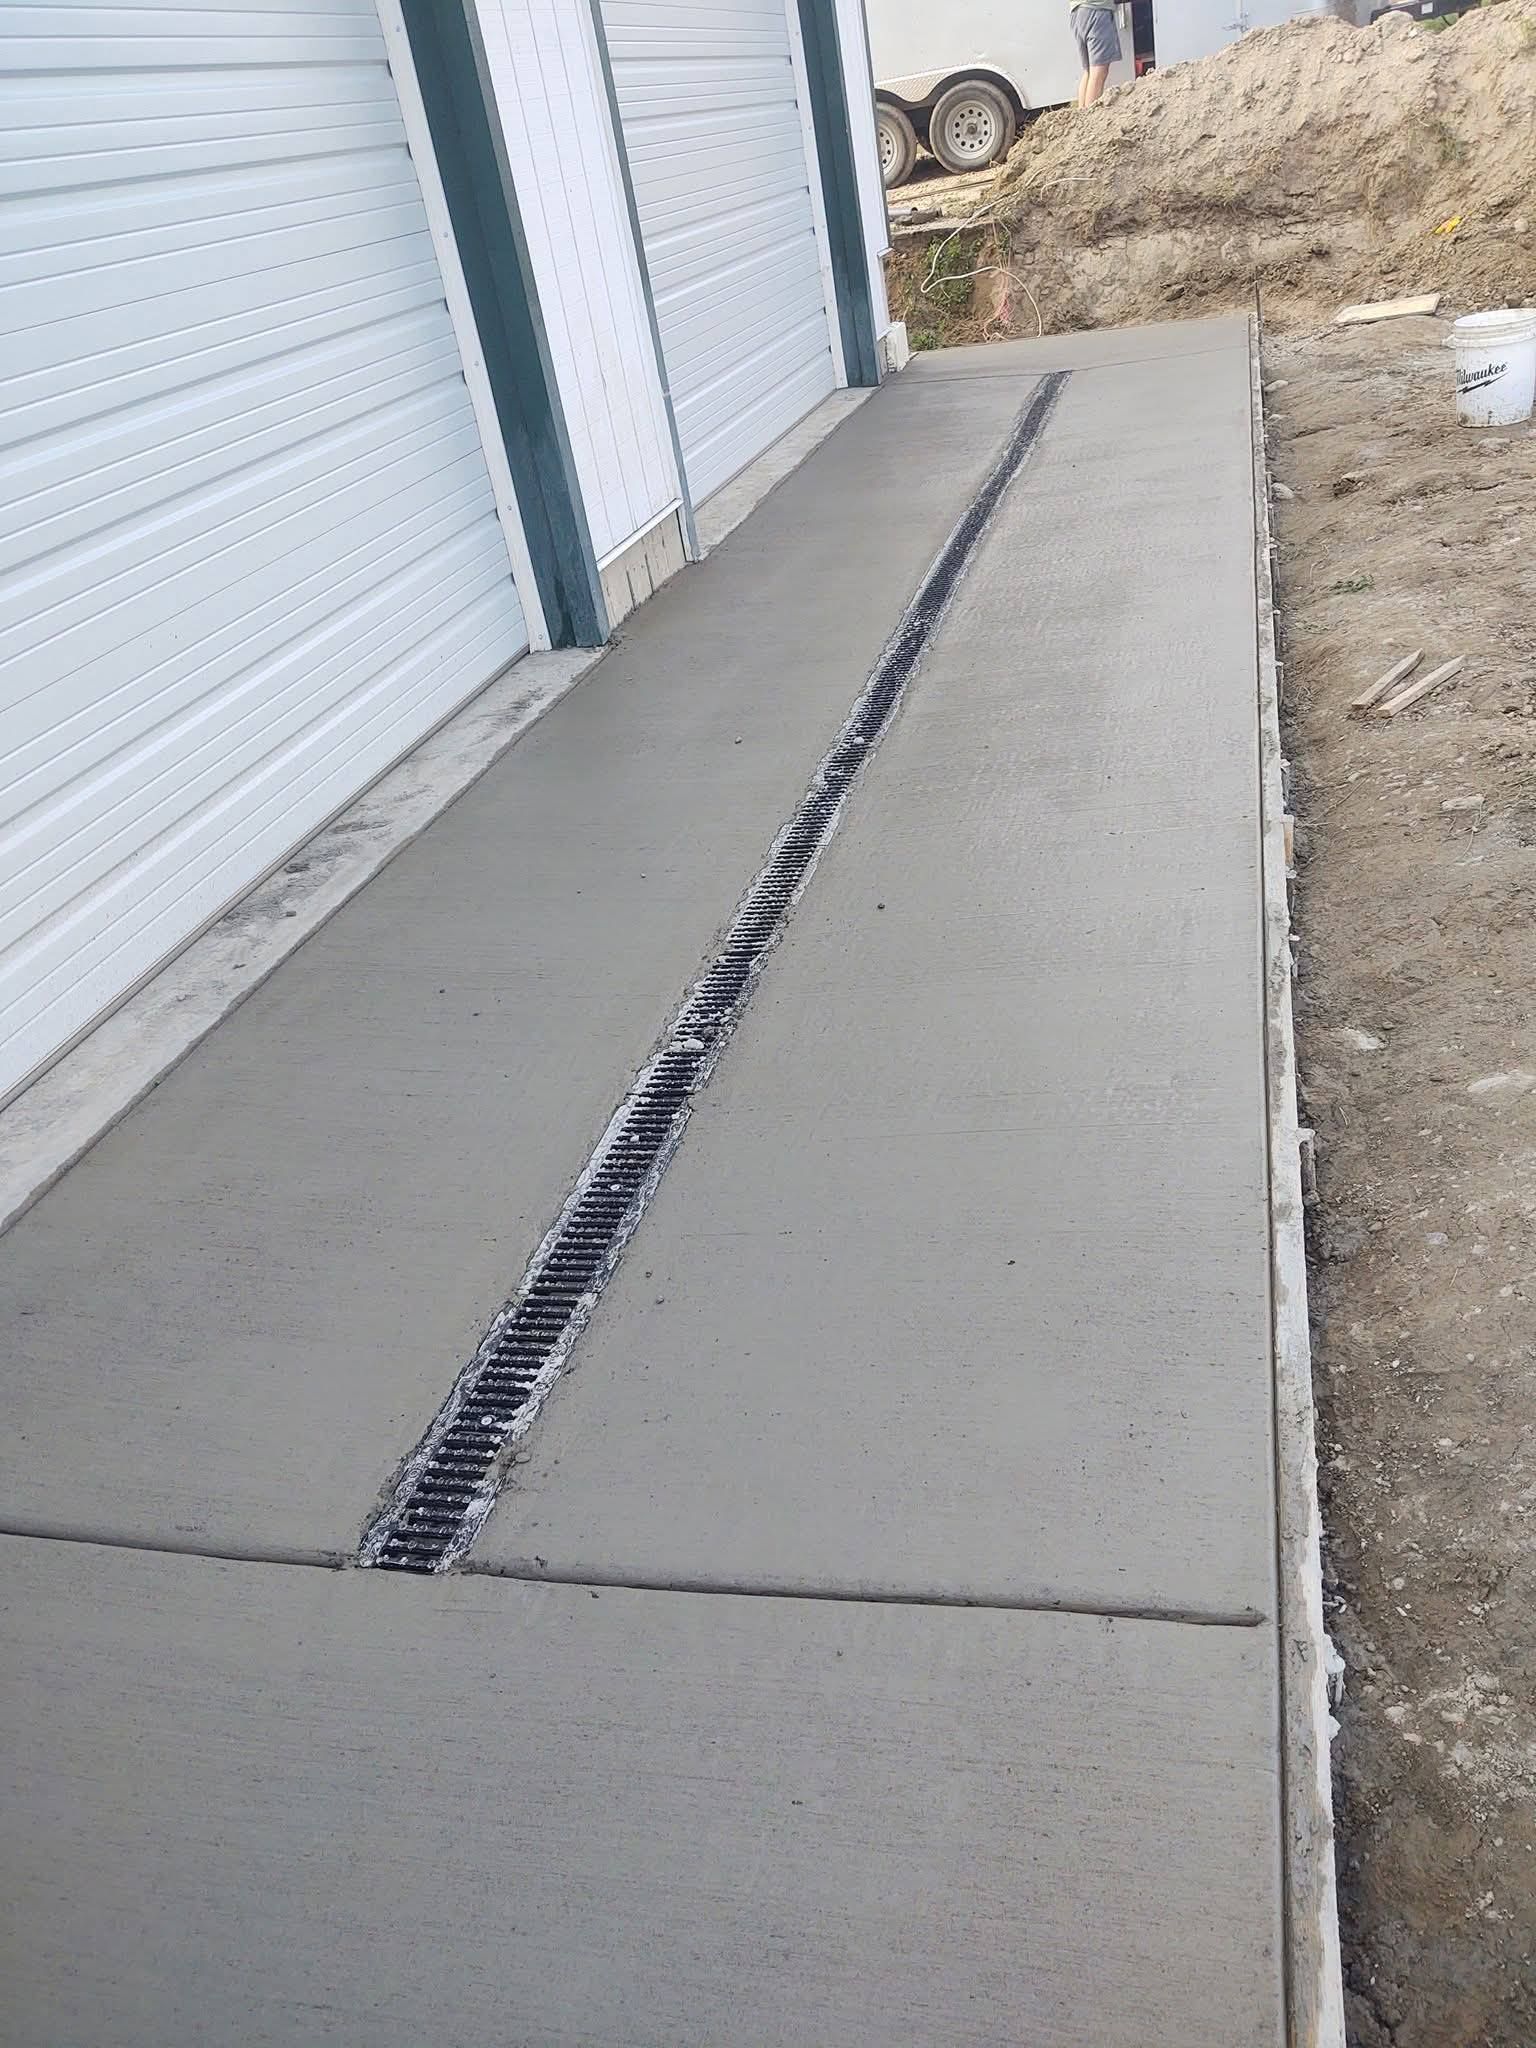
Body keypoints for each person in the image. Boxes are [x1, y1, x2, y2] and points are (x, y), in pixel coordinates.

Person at [1071, 0, 1121, 106]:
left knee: (1088, 71)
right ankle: (1091, 120)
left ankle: (1082, 118)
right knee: (1098, 72)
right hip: (1096, 8)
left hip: (1077, 11)